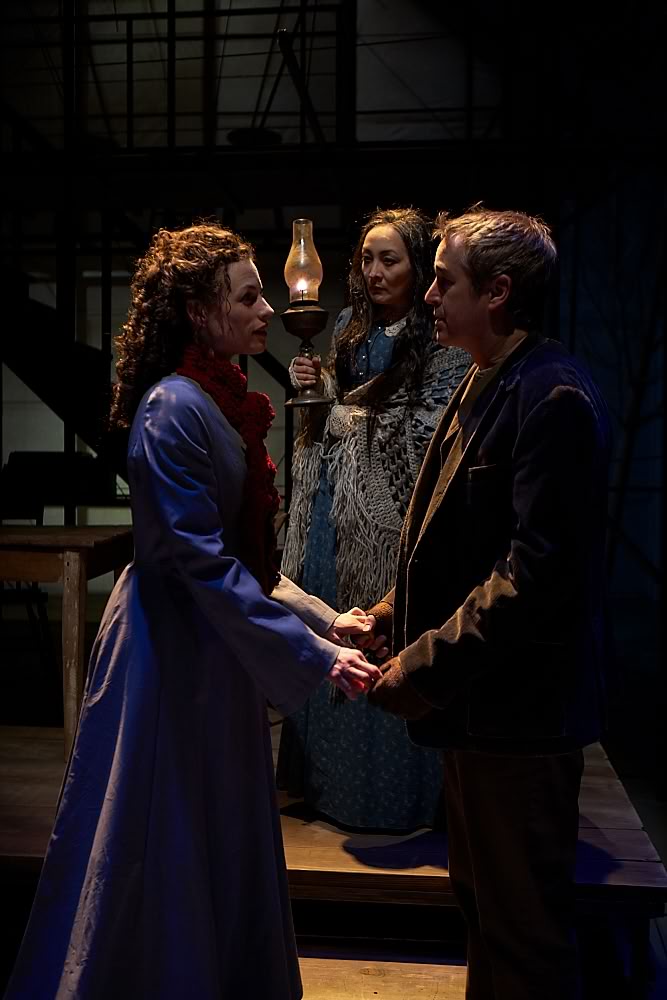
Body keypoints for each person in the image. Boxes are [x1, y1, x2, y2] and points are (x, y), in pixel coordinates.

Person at [4, 223, 381, 1000]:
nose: (266, 310)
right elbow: (199, 562)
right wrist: (315, 655)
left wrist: (321, 618)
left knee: (214, 823)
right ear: (199, 313)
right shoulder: (171, 409)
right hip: (168, 651)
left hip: (211, 643)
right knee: (165, 827)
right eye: (247, 297)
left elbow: (242, 558)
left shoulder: (214, 400)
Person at [367, 206, 611, 999]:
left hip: (520, 721)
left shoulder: (551, 395)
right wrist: (388, 612)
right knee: (484, 911)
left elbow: (532, 575)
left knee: (523, 937)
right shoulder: (484, 375)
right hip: (481, 714)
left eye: (444, 280)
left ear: (498, 292)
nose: (428, 294)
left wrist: (422, 667)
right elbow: (458, 540)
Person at [278, 207, 470, 831]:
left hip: (389, 519)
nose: (375, 271)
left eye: (391, 259)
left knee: (386, 635)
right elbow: (331, 406)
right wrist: (314, 383)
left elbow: (431, 426)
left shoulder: (437, 338)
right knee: (332, 628)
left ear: (418, 267)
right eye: (367, 259)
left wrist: (344, 415)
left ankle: (390, 800)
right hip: (332, 506)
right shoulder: (346, 328)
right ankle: (328, 788)